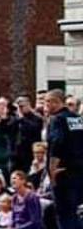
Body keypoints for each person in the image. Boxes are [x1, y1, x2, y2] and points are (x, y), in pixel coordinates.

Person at [45, 89, 83, 229]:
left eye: (48, 101)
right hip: (78, 171)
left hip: (62, 173)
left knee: (63, 213)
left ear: (56, 102)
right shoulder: (76, 118)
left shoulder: (57, 119)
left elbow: (57, 143)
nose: (46, 105)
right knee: (73, 212)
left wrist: (52, 170)